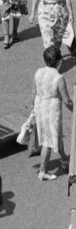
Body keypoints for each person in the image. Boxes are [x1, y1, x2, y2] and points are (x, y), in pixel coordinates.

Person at [32, 48, 72, 181]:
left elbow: (34, 92)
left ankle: (65, 159)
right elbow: (66, 100)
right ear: (59, 61)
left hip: (40, 107)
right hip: (52, 111)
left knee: (56, 135)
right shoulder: (59, 78)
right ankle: (43, 171)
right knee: (48, 141)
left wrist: (33, 111)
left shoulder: (38, 72)